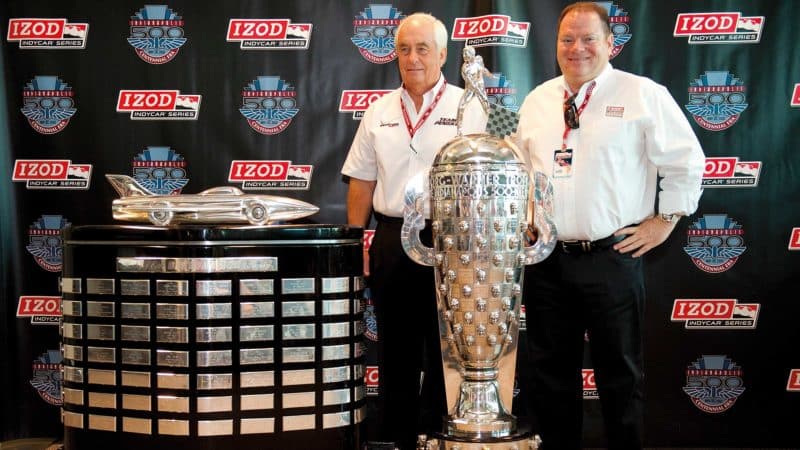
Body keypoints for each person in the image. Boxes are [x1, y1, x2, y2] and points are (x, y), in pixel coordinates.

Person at [513, 2, 705, 449]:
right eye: (566, 39)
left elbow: (686, 160)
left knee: (620, 377)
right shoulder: (539, 100)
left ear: (610, 44)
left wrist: (666, 219)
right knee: (550, 379)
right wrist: (526, 220)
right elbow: (522, 169)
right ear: (556, 45)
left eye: (588, 39)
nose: (576, 48)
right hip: (547, 263)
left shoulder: (641, 94)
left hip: (612, 258)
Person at [340, 12, 487, 450]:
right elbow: (362, 180)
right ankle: (398, 439)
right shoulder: (379, 111)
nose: (412, 57)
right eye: (404, 48)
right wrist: (356, 240)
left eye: (423, 48)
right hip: (390, 239)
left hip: (451, 241)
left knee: (447, 350)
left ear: (443, 54)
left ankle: (441, 436)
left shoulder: (470, 105)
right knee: (396, 351)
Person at [456, 45, 492, 134]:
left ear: (472, 54)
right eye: (463, 53)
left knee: (487, 107)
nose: (464, 55)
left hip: (480, 86)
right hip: (470, 89)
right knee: (461, 107)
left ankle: (494, 129)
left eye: (466, 53)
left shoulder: (478, 60)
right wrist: (480, 93)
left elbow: (483, 69)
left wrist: (490, 75)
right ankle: (459, 130)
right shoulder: (465, 68)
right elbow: (471, 83)